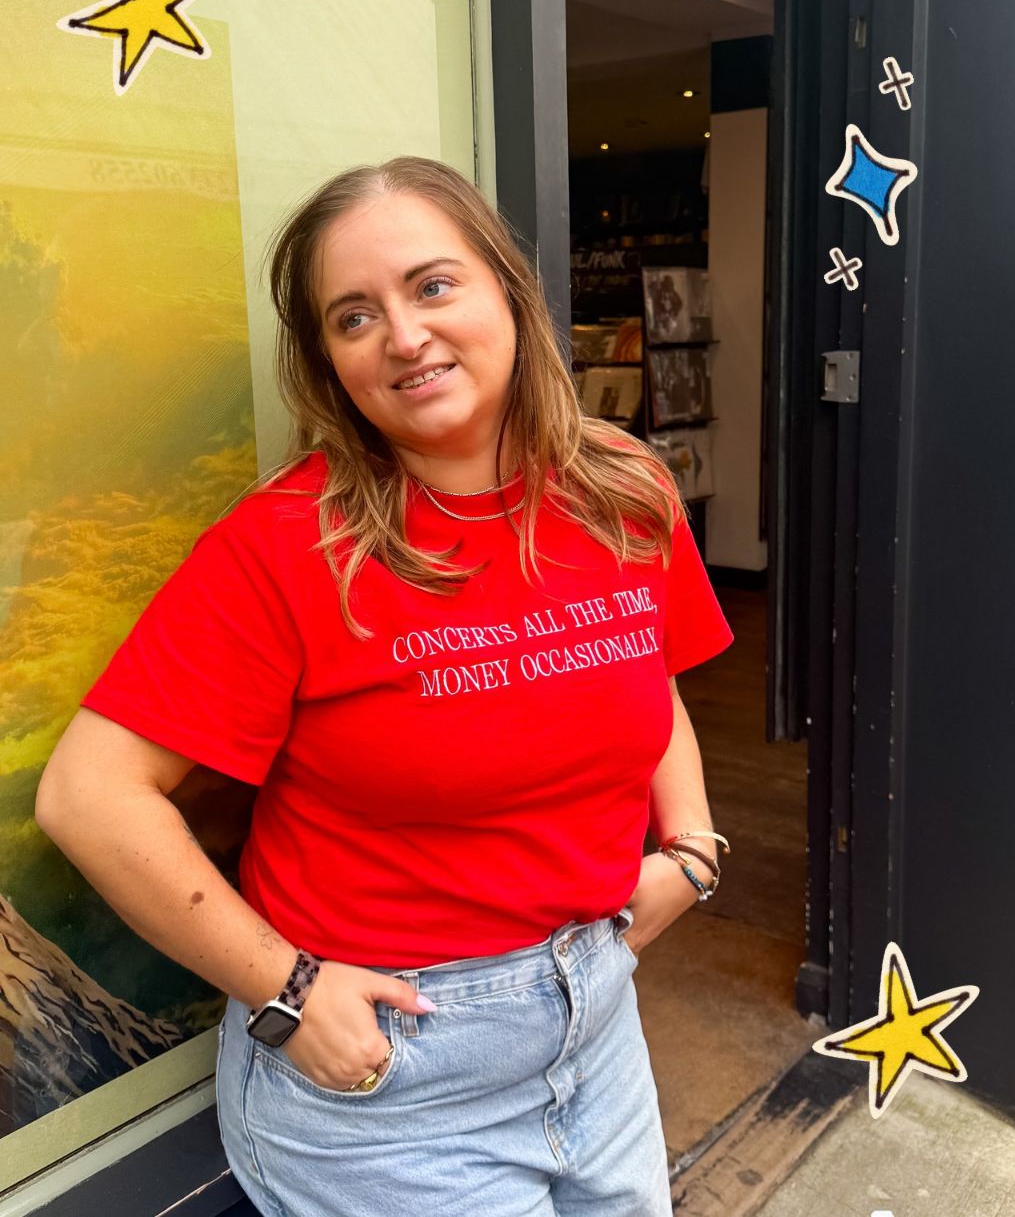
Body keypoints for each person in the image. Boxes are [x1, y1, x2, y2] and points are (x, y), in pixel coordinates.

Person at [36, 156, 734, 1216]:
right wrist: (286, 993)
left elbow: (648, 672)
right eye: (354, 317)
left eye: (433, 285)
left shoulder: (623, 488)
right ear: (328, 361)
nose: (404, 336)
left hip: (598, 1033)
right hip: (392, 1076)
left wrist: (691, 847)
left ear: (508, 290)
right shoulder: (286, 545)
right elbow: (88, 796)